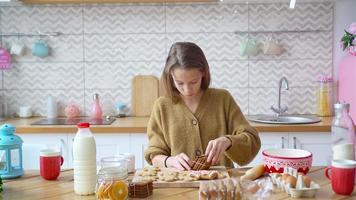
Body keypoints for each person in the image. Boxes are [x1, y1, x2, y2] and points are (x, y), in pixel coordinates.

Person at [144, 42, 261, 170]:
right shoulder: (162, 106)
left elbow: (251, 140)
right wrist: (169, 161)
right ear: (171, 76)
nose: (187, 89)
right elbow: (154, 155)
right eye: (180, 83)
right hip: (179, 186)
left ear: (203, 73)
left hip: (221, 186)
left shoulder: (222, 99)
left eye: (193, 82)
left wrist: (228, 141)